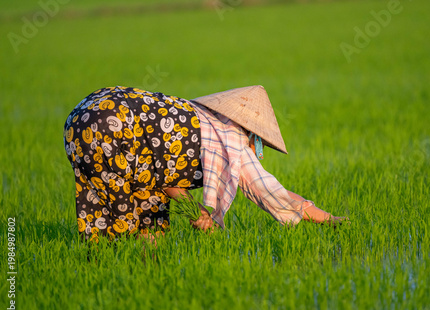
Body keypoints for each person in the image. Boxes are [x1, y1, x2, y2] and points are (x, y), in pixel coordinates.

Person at [63, 85, 345, 243]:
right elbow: (273, 195)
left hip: (84, 115)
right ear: (253, 133)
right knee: (127, 225)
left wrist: (196, 211)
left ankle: (121, 269)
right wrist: (329, 219)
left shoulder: (197, 117)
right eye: (258, 143)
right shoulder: (232, 141)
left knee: (123, 207)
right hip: (115, 127)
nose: (256, 150)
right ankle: (124, 283)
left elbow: (164, 177)